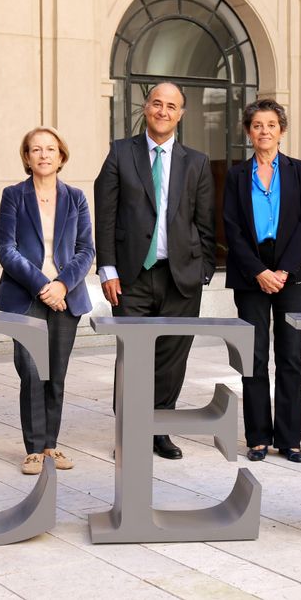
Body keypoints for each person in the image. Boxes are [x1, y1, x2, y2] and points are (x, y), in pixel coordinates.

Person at [93, 82, 216, 460]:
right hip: (130, 277)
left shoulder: (196, 162)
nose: (163, 111)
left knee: (171, 357)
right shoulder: (119, 153)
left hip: (180, 276)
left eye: (172, 106)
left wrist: (203, 271)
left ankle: (159, 429)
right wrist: (107, 269)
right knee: (132, 358)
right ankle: (130, 432)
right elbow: (106, 214)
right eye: (157, 103)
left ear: (181, 114)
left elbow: (205, 223)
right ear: (145, 108)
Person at [223, 99, 301, 463]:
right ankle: (258, 436)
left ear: (282, 129)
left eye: (271, 124)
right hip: (251, 274)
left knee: (290, 356)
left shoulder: (299, 170)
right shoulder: (235, 175)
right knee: (254, 355)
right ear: (248, 131)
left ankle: (290, 438)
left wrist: (283, 271)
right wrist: (259, 272)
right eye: (257, 125)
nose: (264, 131)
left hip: (291, 272)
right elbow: (231, 227)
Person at [0, 127, 94, 475]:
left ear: (61, 156)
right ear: (26, 157)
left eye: (50, 149)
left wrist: (63, 286)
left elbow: (86, 250)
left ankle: (51, 445)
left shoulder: (77, 198)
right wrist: (43, 286)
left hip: (67, 298)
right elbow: (6, 250)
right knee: (31, 371)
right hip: (27, 296)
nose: (43, 155)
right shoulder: (13, 196)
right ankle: (33, 449)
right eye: (36, 149)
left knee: (56, 373)